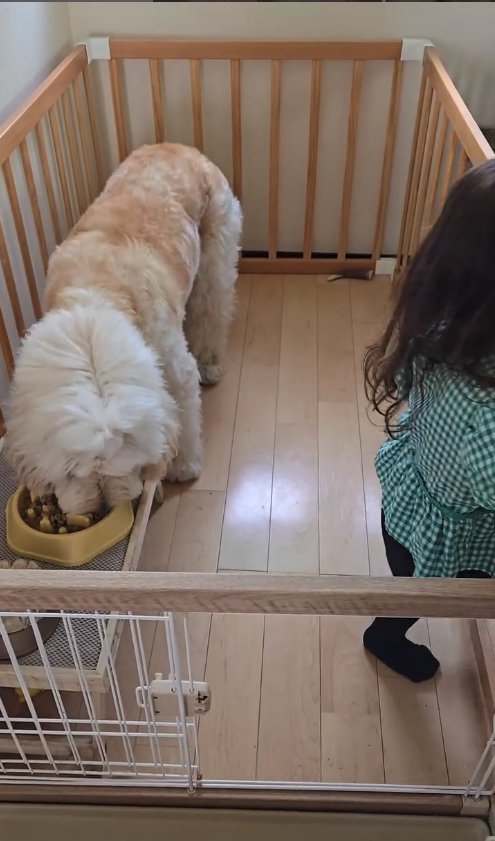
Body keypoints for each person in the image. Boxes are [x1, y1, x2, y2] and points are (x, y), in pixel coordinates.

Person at [363, 159, 495, 683]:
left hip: (414, 497)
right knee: (418, 594)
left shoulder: (440, 321)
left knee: (413, 589)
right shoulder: (484, 414)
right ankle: (381, 637)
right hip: (447, 537)